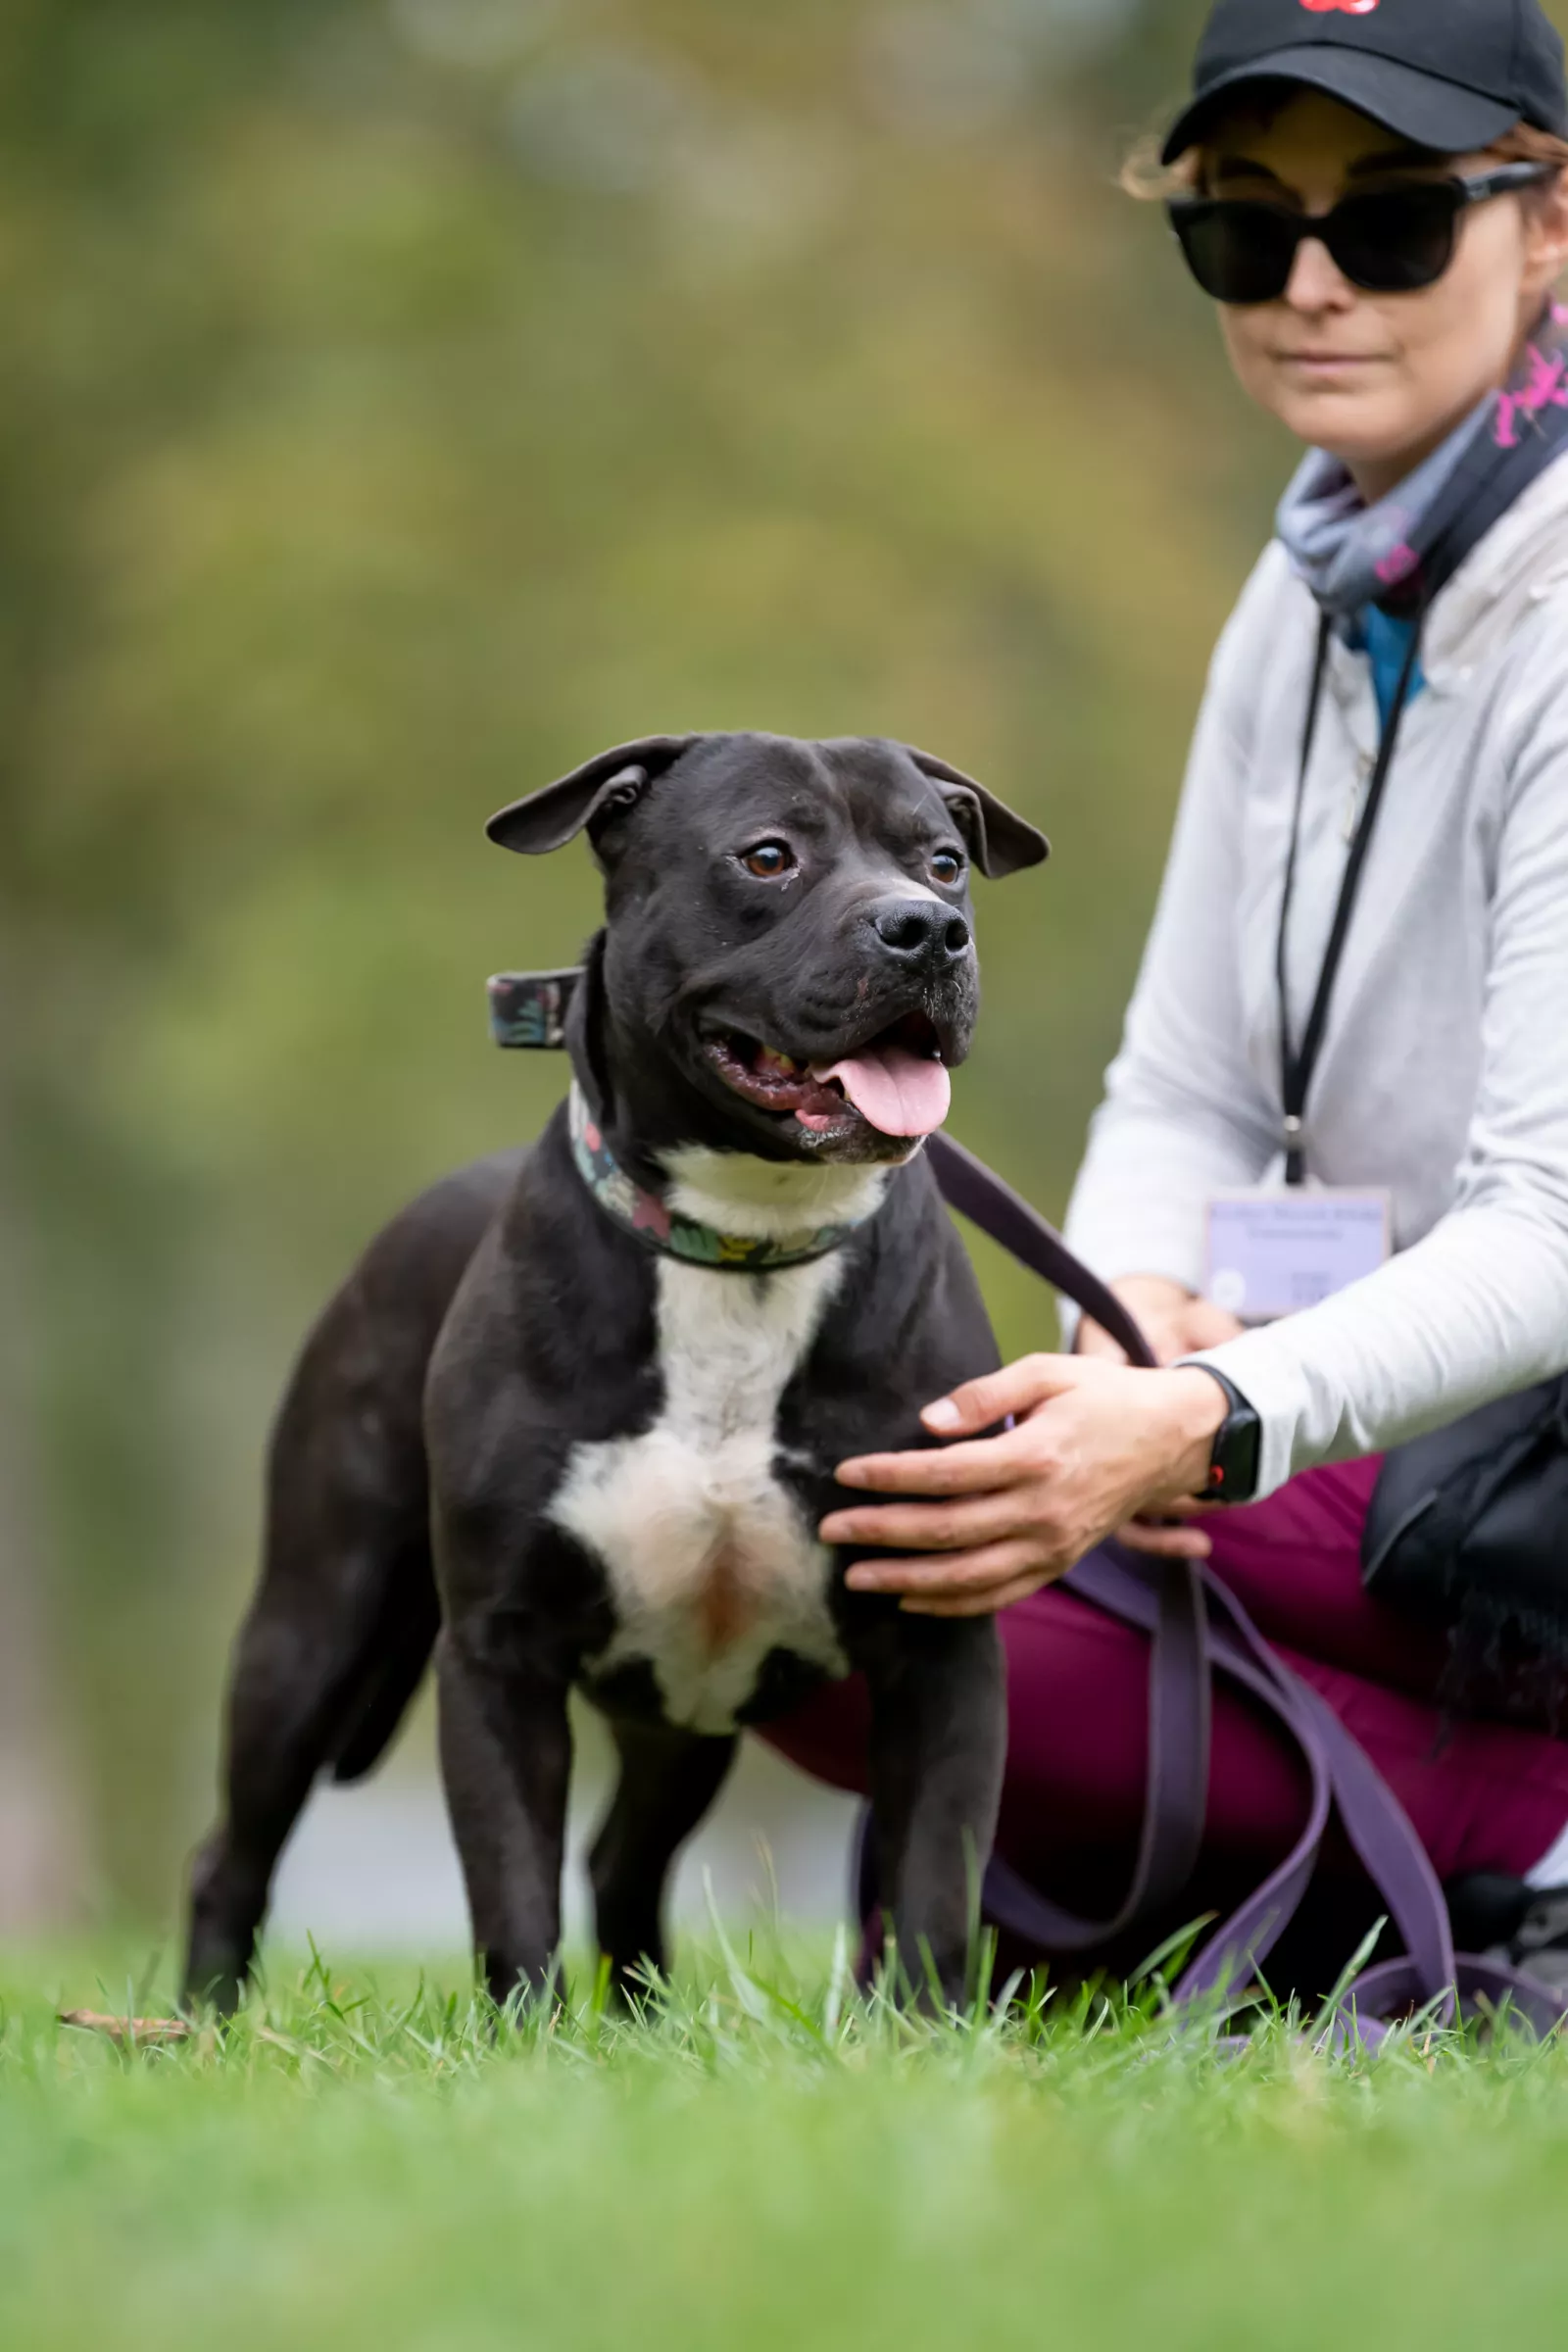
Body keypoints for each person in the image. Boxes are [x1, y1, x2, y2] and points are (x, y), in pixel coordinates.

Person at [761, 0, 1568, 1986]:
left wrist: (1198, 1419)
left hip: (1508, 1463)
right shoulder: (1304, 583)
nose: (1310, 286)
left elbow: (1554, 1227)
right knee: (839, 1561)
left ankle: (1508, 1843)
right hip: (1381, 1456)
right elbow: (1185, 1083)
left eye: (1390, 221)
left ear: (1547, 225)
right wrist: (1123, 1323)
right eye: (1244, 228)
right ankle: (1469, 1851)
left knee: (897, 1528)